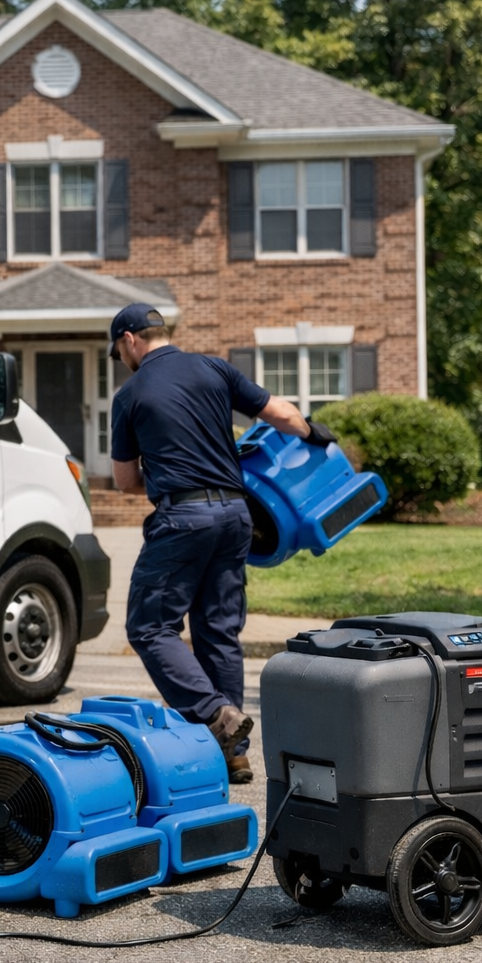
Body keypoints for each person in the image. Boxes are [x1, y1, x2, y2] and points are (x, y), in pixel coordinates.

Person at [108, 303, 333, 785]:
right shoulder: (215, 368)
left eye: (118, 351)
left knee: (149, 627)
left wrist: (170, 469)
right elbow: (283, 415)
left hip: (183, 517)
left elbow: (125, 481)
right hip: (237, 515)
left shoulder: (129, 395)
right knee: (218, 631)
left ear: (129, 340)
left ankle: (216, 715)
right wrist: (315, 433)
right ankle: (235, 754)